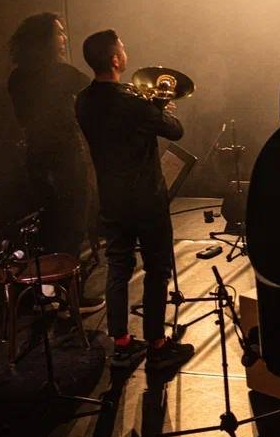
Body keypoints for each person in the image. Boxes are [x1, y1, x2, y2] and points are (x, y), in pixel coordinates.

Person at [74, 29, 195, 372]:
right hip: (146, 200)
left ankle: (123, 344)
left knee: (118, 266)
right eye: (123, 49)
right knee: (157, 269)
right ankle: (158, 345)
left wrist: (150, 107)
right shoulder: (133, 102)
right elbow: (175, 130)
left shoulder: (83, 101)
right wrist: (158, 107)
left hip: (111, 199)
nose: (126, 52)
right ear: (115, 60)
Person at [6, 13, 103, 311]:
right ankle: (72, 298)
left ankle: (47, 295)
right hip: (64, 158)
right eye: (58, 33)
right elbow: (98, 92)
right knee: (72, 226)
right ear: (45, 40)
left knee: (49, 228)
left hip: (36, 159)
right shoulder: (61, 73)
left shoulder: (17, 77)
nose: (64, 38)